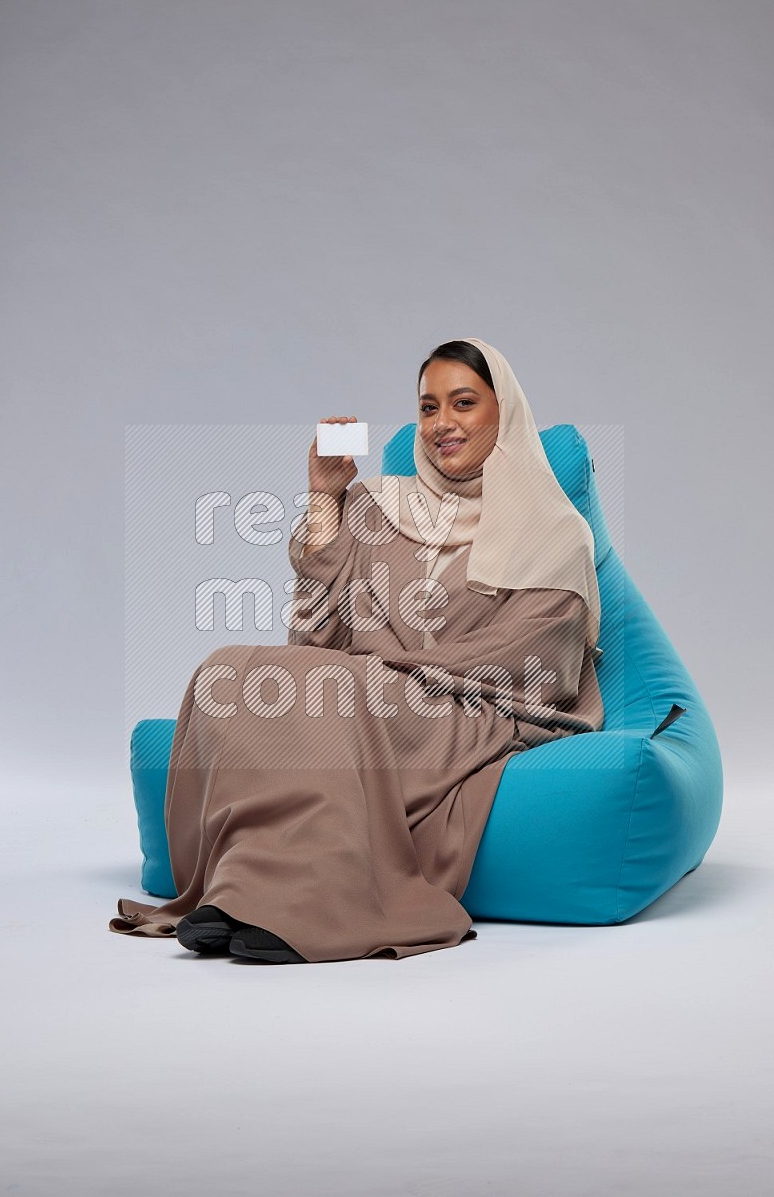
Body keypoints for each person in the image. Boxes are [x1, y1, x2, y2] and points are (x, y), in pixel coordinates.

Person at [108, 337, 604, 964]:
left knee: (333, 692)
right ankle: (238, 894)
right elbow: (312, 639)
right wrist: (324, 497)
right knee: (227, 670)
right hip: (364, 694)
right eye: (428, 408)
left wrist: (377, 676)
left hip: (467, 710)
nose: (442, 424)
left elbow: (530, 665)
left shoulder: (554, 531)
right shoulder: (377, 505)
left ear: (503, 413)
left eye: (463, 403)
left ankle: (301, 912)